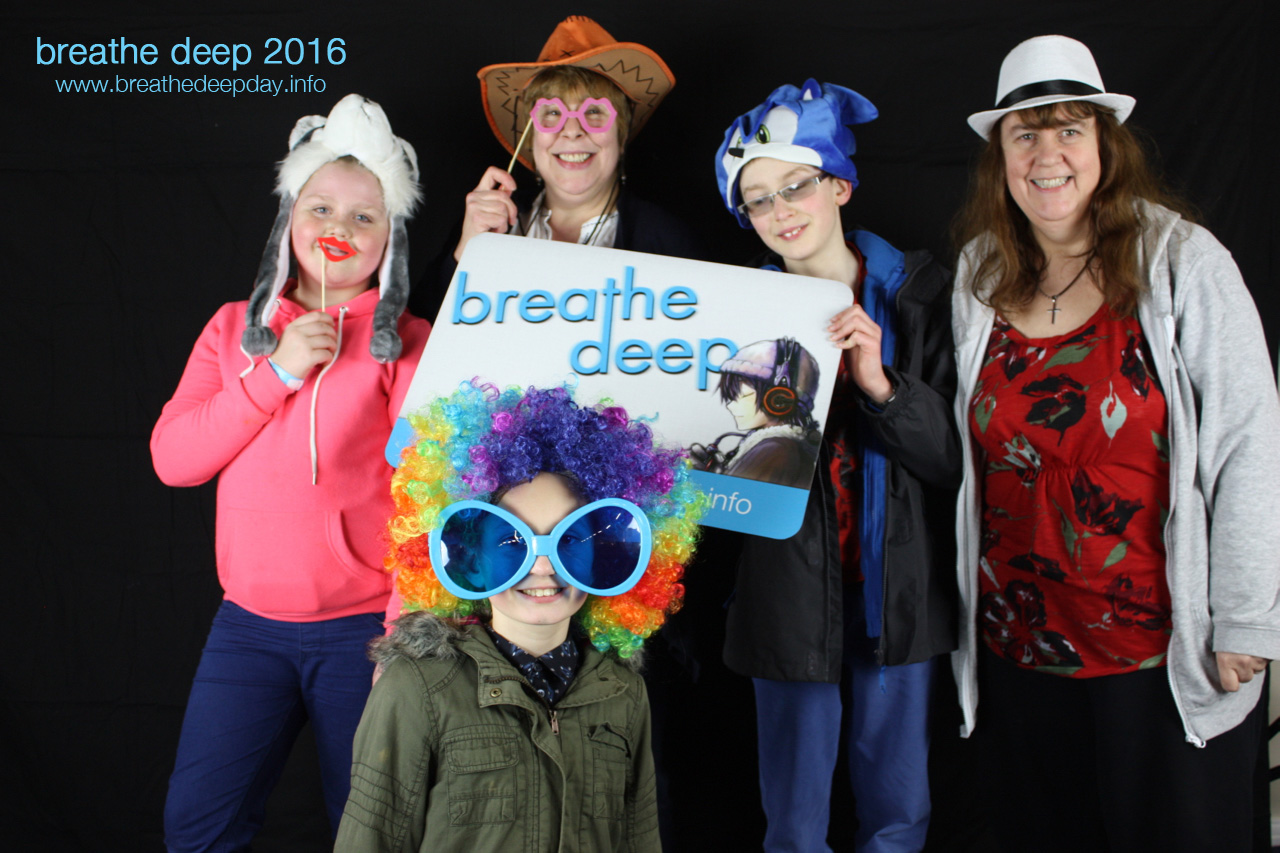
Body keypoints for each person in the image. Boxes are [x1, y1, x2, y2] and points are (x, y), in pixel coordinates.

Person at [951, 35, 1280, 852]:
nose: (1048, 154)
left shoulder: (1182, 262)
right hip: (1020, 651)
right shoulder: (979, 272)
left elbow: (1250, 441)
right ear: (1001, 157)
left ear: (1104, 144)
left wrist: (1247, 617)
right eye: (1026, 133)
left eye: (1070, 129)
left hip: (1157, 656)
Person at [150, 95, 430, 850]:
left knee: (372, 832)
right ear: (290, 216)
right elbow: (174, 460)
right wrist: (275, 373)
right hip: (247, 627)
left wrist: (401, 638)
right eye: (322, 208)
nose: (341, 228)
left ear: (391, 236)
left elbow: (428, 499)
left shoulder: (408, 344)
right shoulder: (229, 329)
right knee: (197, 826)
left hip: (362, 632)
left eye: (365, 216)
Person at [713, 80, 961, 852]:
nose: (781, 210)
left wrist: (882, 386)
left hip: (898, 593)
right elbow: (714, 483)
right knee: (792, 821)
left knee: (899, 808)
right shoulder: (733, 313)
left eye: (797, 186)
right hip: (786, 596)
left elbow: (952, 460)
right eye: (759, 200)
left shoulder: (920, 294)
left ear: (840, 185)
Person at [333, 382, 705, 851]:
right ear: (470, 560)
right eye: (512, 540)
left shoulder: (623, 692)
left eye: (571, 537)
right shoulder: (417, 688)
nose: (543, 565)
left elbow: (639, 837)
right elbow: (371, 839)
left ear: (604, 558)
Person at [411, 15, 698, 323]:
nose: (572, 131)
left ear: (621, 134)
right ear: (531, 136)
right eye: (552, 113)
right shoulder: (487, 225)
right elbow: (419, 331)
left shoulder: (667, 241)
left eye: (594, 111)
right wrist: (468, 250)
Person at [693, 337, 823, 489]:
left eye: (742, 396)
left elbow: (733, 499)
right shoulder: (777, 447)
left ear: (777, 399)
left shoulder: (776, 450)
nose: (730, 406)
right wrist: (715, 473)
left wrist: (695, 480)